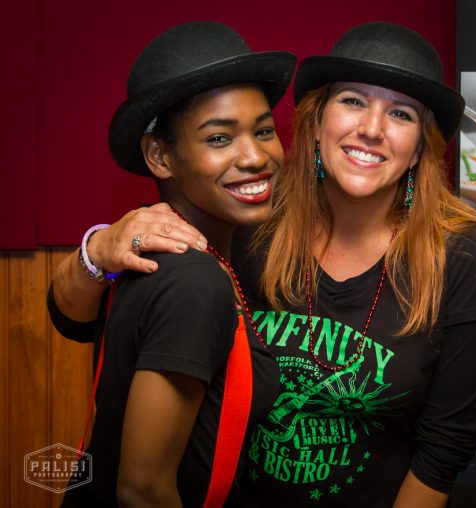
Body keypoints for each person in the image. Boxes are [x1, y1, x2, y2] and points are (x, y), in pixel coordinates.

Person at [49, 22, 476, 507]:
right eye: (353, 101)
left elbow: (445, 446)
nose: (372, 129)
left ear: (419, 147)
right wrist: (96, 250)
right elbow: (79, 320)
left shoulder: (458, 253)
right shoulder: (253, 216)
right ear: (317, 121)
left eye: (400, 113)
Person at [53, 21, 296, 507]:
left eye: (264, 130)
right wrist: (95, 248)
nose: (256, 156)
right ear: (160, 157)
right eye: (219, 138)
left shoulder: (176, 251)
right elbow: (142, 491)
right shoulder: (193, 279)